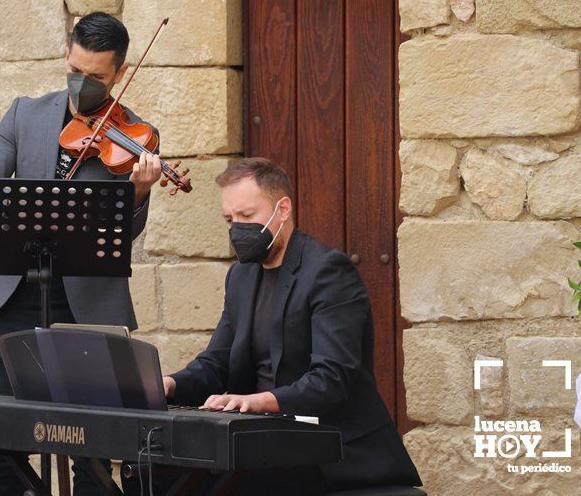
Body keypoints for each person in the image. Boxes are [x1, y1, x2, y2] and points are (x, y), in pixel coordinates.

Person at [143, 157, 421, 494]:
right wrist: (170, 384)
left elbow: (331, 379)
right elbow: (216, 362)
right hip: (265, 442)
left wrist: (258, 401)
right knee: (153, 467)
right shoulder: (242, 276)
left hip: (331, 450)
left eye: (247, 216)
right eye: (229, 220)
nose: (237, 229)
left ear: (283, 209)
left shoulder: (328, 271)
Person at [0, 12, 162, 496]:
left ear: (118, 73)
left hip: (87, 303)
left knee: (91, 445)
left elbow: (129, 234)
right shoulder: (24, 113)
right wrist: (35, 207)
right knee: (3, 440)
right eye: (75, 70)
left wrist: (136, 195)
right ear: (67, 55)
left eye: (96, 77)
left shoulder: (135, 136)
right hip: (17, 291)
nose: (83, 84)